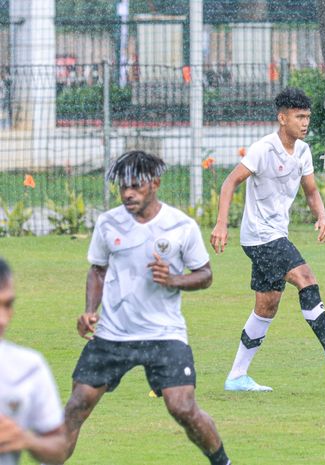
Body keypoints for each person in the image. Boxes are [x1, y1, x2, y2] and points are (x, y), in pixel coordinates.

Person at [61, 151, 232, 465]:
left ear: (154, 183)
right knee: (76, 405)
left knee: (183, 408)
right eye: (122, 187)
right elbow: (98, 269)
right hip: (113, 334)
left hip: (164, 333)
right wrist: (89, 310)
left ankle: (222, 462)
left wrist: (174, 280)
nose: (127, 193)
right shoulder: (107, 223)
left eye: (135, 186)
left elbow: (205, 275)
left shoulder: (181, 226)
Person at [210, 87, 325, 392]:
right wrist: (221, 224)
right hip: (261, 236)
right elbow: (230, 182)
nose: (305, 122)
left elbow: (311, 191)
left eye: (307, 116)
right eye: (299, 116)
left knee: (266, 306)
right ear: (282, 118)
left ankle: (236, 377)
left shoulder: (303, 151)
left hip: (273, 235)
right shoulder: (263, 149)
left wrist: (321, 217)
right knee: (305, 277)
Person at [0, 258, 68, 465]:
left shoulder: (28, 367)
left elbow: (58, 447)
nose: (3, 319)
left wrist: (27, 440)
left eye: (8, 304)